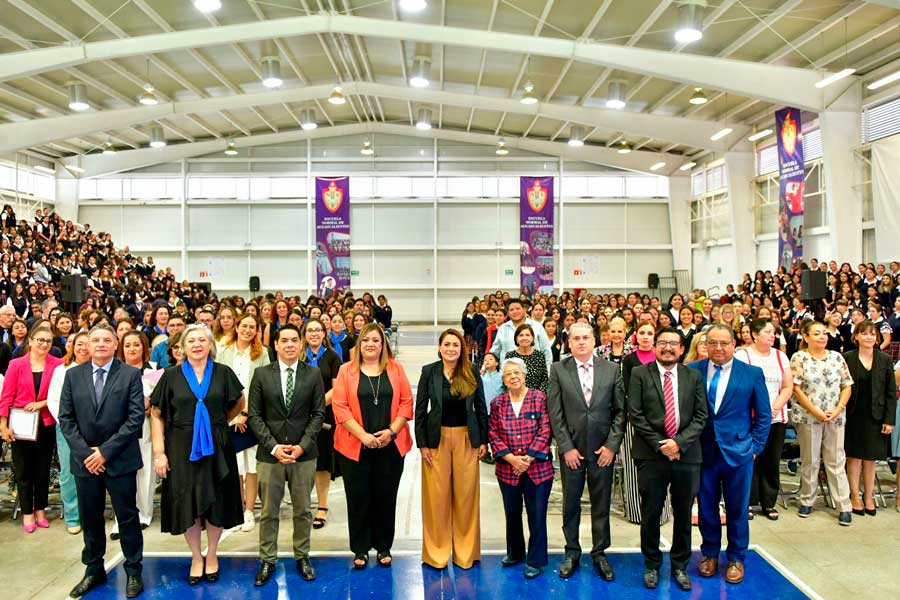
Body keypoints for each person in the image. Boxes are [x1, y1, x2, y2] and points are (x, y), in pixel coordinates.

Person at [150, 324, 245, 584]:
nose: (197, 344)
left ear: (210, 345)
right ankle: (195, 556)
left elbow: (239, 401)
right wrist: (159, 452)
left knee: (215, 501)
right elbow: (157, 414)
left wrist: (217, 423)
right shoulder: (170, 376)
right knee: (188, 503)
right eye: (190, 340)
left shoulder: (223, 373)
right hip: (180, 447)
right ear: (181, 346)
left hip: (217, 445)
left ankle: (212, 554)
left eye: (202, 340)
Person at [57, 324, 145, 598]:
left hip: (119, 460)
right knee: (91, 518)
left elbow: (135, 419)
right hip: (85, 463)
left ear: (115, 343)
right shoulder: (73, 376)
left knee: (128, 517)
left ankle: (133, 570)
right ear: (86, 344)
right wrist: (87, 454)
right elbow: (66, 419)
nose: (101, 344)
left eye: (107, 340)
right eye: (95, 340)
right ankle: (93, 569)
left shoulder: (130, 374)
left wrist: (104, 452)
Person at [687, 324, 770, 585]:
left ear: (734, 344)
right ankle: (710, 553)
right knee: (707, 509)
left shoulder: (752, 373)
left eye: (724, 343)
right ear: (705, 345)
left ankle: (736, 558)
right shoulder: (692, 372)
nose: (718, 348)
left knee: (737, 509)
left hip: (739, 453)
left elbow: (764, 415)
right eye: (713, 343)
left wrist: (755, 448)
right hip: (703, 453)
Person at [628, 326, 707, 591]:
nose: (668, 347)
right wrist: (661, 445)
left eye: (674, 343)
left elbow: (700, 416)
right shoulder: (639, 374)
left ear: (682, 349)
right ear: (655, 347)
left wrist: (678, 443)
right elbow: (635, 414)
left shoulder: (693, 376)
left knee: (683, 513)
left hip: (687, 455)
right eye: (662, 342)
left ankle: (680, 566)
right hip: (651, 455)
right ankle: (651, 565)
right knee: (651, 512)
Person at [247, 323, 325, 586]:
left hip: (304, 454)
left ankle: (302, 555)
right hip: (270, 455)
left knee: (303, 510)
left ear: (300, 344)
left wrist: (302, 445)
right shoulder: (261, 375)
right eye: (285, 341)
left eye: (294, 340)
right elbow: (255, 416)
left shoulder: (313, 374)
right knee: (269, 511)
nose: (290, 344)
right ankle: (268, 559)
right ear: (276, 345)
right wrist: (274, 447)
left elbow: (318, 414)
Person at [547, 322, 625, 580]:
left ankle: (600, 552)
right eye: (576, 338)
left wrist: (612, 446)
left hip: (602, 451)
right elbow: (555, 413)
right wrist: (566, 447)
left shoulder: (612, 369)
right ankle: (572, 552)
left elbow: (620, 413)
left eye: (586, 337)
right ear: (569, 343)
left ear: (594, 341)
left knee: (601, 503)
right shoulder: (558, 369)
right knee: (571, 504)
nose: (581, 342)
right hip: (572, 452)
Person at [332, 322, 413, 568]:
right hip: (354, 447)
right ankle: (360, 548)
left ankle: (383, 546)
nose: (370, 344)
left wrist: (391, 431)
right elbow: (340, 406)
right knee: (358, 498)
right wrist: (363, 436)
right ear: (359, 344)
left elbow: (406, 403)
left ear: (383, 344)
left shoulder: (396, 369)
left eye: (376, 340)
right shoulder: (346, 371)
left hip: (390, 446)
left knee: (385, 497)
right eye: (366, 340)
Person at [416, 329, 488, 570]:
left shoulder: (471, 370)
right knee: (436, 498)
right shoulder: (429, 372)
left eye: (455, 345)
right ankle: (436, 552)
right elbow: (420, 411)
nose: (450, 349)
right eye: (446, 344)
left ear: (461, 348)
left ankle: (466, 553)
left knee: (466, 497)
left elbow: (480, 407)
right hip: (437, 440)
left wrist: (483, 441)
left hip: (467, 439)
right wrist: (422, 444)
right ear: (439, 347)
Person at [488, 357, 553, 579]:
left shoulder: (539, 398)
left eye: (517, 372)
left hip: (538, 469)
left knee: (536, 515)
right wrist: (511, 459)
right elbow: (493, 433)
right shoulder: (497, 403)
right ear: (503, 379)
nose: (513, 377)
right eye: (508, 374)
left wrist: (527, 459)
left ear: (525, 375)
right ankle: (515, 552)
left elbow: (546, 429)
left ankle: (535, 560)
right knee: (512, 513)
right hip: (508, 470)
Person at [0, 324, 63, 533]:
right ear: (31, 341)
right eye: (40, 340)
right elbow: (6, 396)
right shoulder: (16, 364)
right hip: (21, 425)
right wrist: (3, 424)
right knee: (24, 471)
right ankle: (27, 512)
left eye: (48, 341)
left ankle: (40, 509)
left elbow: (60, 394)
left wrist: (42, 403)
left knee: (42, 470)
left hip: (45, 424)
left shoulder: (57, 364)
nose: (44, 344)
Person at [790, 319, 854, 525]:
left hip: (835, 417)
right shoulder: (799, 358)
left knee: (836, 460)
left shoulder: (836, 357)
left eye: (824, 333)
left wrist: (838, 409)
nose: (822, 336)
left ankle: (844, 505)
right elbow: (796, 388)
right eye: (817, 333)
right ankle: (807, 499)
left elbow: (847, 385)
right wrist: (815, 411)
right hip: (809, 416)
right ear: (806, 336)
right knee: (811, 460)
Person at [215, 313, 271, 532]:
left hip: (253, 418)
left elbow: (264, 386)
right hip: (229, 418)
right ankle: (236, 509)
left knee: (251, 467)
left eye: (252, 327)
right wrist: (233, 414)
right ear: (236, 327)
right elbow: (219, 385)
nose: (248, 330)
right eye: (244, 326)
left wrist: (245, 413)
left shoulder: (262, 354)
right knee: (235, 466)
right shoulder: (224, 352)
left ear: (257, 331)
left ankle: (249, 511)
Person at [735, 319, 793, 520]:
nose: (772, 335)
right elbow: (739, 385)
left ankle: (769, 502)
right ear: (755, 334)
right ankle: (748, 502)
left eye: (773, 332)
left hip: (776, 417)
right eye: (767, 331)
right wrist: (759, 410)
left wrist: (775, 407)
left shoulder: (781, 356)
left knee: (771, 459)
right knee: (750, 459)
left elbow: (787, 387)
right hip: (749, 417)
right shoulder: (743, 355)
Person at [843, 320, 896, 516]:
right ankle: (854, 495)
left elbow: (891, 392)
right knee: (854, 456)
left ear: (877, 338)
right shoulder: (847, 357)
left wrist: (889, 420)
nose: (869, 337)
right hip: (853, 414)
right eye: (864, 333)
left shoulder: (884, 359)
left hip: (877, 415)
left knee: (871, 459)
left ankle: (868, 496)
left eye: (872, 334)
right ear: (856, 336)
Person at [620, 321, 671, 525]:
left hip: (663, 422)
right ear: (636, 336)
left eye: (650, 333)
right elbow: (627, 392)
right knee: (634, 470)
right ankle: (636, 512)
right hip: (635, 420)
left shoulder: (664, 359)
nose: (646, 336)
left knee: (663, 468)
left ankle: (661, 513)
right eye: (642, 332)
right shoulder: (629, 360)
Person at [111, 331, 156, 538]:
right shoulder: (113, 370)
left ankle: (144, 514)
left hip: (146, 427)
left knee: (145, 470)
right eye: (127, 345)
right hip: (119, 429)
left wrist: (150, 406)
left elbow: (160, 399)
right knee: (120, 475)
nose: (132, 349)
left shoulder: (154, 370)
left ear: (144, 347)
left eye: (136, 345)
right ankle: (121, 518)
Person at [45, 331, 91, 534]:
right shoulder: (62, 371)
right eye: (78, 344)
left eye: (86, 344)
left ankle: (91, 513)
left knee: (93, 470)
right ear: (72, 347)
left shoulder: (99, 370)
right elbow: (53, 401)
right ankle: (73, 516)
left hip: (94, 429)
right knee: (68, 473)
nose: (82, 348)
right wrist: (67, 425)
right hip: (67, 429)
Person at [297, 318, 341, 530]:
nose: (314, 333)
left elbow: (336, 388)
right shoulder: (298, 356)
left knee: (322, 463)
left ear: (325, 334)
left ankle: (322, 506)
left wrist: (315, 406)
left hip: (324, 417)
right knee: (302, 463)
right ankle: (303, 505)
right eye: (310, 330)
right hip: (298, 417)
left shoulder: (332, 358)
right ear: (304, 334)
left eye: (318, 330)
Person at [490, 299, 552, 374]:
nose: (515, 311)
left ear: (524, 310)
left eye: (518, 308)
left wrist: (547, 373)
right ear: (508, 313)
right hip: (509, 375)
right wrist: (485, 367)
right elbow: (495, 351)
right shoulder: (503, 328)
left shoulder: (537, 326)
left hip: (533, 374)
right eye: (511, 310)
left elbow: (546, 352)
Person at [504, 324, 549, 393]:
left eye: (527, 335)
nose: (524, 338)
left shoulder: (540, 355)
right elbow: (507, 378)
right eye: (521, 335)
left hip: (536, 397)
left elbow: (544, 380)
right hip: (515, 396)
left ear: (532, 338)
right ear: (516, 338)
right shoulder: (510, 356)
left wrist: (537, 396)